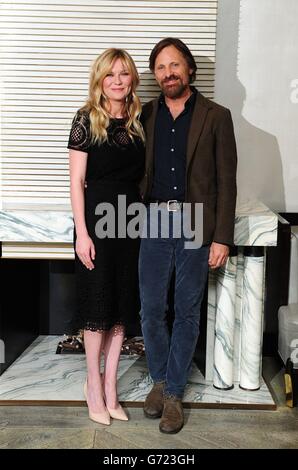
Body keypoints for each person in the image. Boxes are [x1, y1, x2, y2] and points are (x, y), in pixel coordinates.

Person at [139, 38, 237, 434]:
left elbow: (227, 182)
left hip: (198, 224)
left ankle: (175, 394)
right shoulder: (144, 114)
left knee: (186, 309)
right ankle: (160, 382)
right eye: (161, 68)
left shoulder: (217, 116)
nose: (168, 73)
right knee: (150, 309)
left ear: (190, 69)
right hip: (153, 222)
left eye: (175, 65)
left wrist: (222, 237)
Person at [67, 48, 145, 425]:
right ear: (99, 79)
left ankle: (111, 386)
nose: (117, 80)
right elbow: (76, 182)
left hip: (130, 222)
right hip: (96, 223)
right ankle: (93, 386)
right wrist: (82, 232)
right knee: (96, 311)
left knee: (119, 312)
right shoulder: (86, 119)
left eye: (124, 74)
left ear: (132, 80)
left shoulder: (138, 120)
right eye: (110, 74)